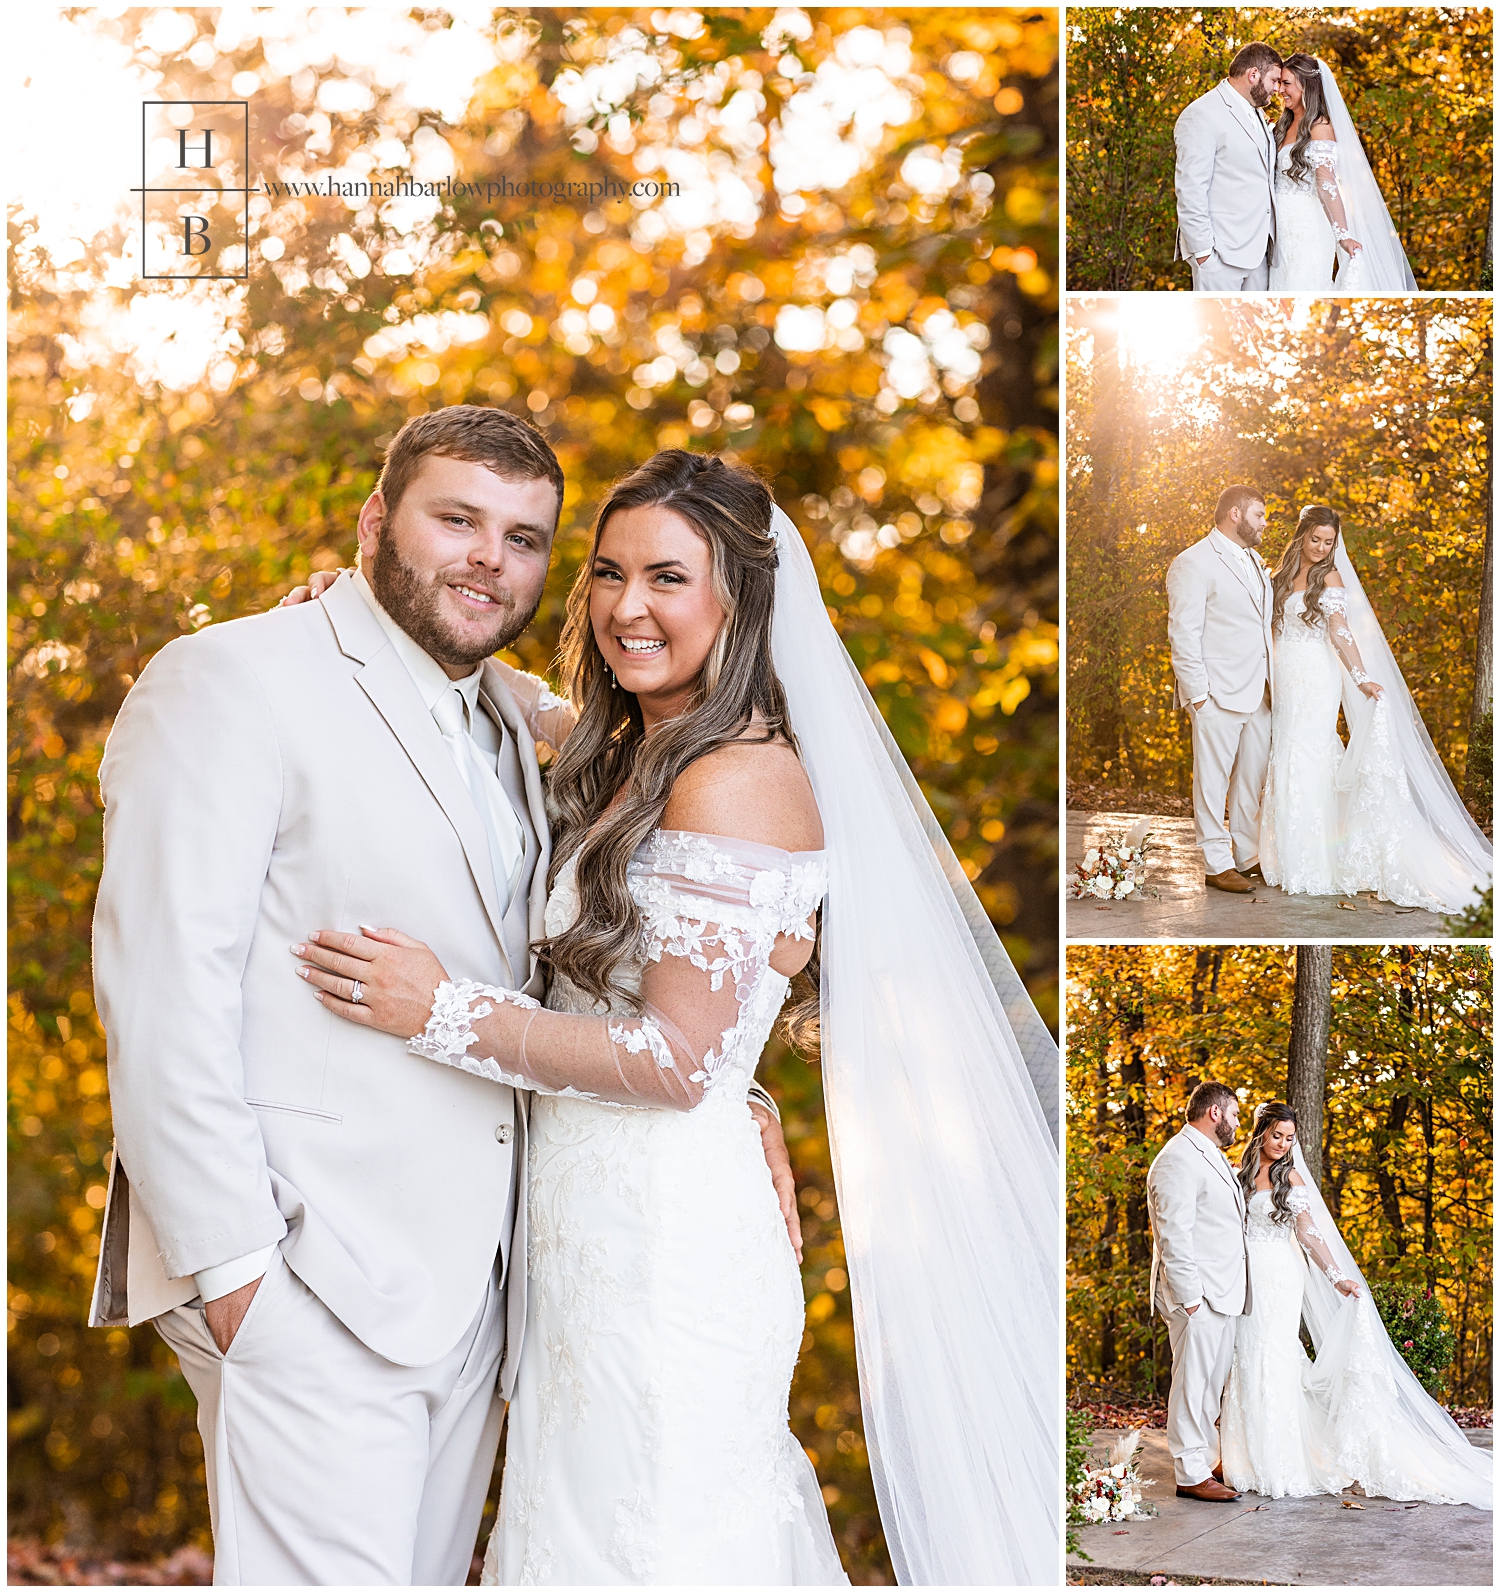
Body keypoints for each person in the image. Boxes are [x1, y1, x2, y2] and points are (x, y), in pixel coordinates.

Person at [290, 448, 1063, 1580]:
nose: (626, 607)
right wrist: (354, 608)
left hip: (666, 1250)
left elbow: (672, 1057)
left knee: (656, 1535)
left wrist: (438, 1011)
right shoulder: (638, 750)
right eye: (607, 573)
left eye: (667, 579)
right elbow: (516, 700)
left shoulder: (738, 779)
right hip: (595, 1232)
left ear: (739, 601)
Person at [87, 408, 798, 1585]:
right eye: (456, 520)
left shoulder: (559, 743)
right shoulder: (234, 680)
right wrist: (235, 1277)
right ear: (377, 521)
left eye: (523, 538)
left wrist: (738, 1095)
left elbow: (686, 1003)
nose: (490, 558)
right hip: (309, 1277)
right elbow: (160, 988)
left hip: (496, 1292)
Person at [1221, 1103, 1492, 1508]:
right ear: (1261, 1132)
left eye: (1290, 1138)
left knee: (1272, 1357)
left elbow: (1310, 1235)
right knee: (1245, 1357)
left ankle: (1281, 1462)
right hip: (1243, 1280)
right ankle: (1244, 1461)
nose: (1282, 1144)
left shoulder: (1290, 1178)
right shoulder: (1238, 1175)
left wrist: (1337, 1277)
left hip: (1278, 1278)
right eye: (1277, 1135)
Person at [1260, 505, 1491, 911]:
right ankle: (1288, 858)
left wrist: (1361, 676)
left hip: (1316, 676)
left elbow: (1340, 631)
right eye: (1315, 538)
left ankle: (1316, 863)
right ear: (1301, 535)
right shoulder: (1277, 577)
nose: (1320, 547)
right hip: (1284, 678)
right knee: (1285, 754)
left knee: (1308, 753)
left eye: (1328, 541)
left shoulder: (1328, 577)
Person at [1165, 484, 1276, 893]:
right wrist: (1198, 696)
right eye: (1259, 515)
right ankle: (1216, 863)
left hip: (1259, 692)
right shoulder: (1193, 562)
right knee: (1211, 782)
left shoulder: (1254, 559)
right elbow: (1184, 632)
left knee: (1251, 778)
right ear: (1235, 514)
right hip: (1216, 693)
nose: (1265, 523)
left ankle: (1246, 856)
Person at [1145, 1081, 1251, 1502]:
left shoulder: (1211, 1157)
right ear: (1215, 1113)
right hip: (1197, 1294)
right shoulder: (1177, 1159)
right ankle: (1189, 1472)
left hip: (1222, 1291)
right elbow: (1174, 1233)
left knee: (1209, 1385)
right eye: (1236, 1114)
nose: (1238, 1122)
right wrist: (1190, 1298)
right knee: (1191, 1383)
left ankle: (1205, 1459)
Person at [1267, 54, 1417, 291]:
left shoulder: (1320, 126)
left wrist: (1343, 235)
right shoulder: (1281, 126)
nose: (1279, 90)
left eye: (1286, 83)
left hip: (1307, 229)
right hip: (1277, 230)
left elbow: (1326, 181)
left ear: (1306, 86)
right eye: (1279, 83)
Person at [1173, 42, 1283, 292]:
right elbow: (1190, 189)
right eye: (1274, 80)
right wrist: (1203, 254)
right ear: (1253, 74)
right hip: (1220, 255)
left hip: (1259, 253)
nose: (1277, 89)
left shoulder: (1255, 112)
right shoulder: (1202, 114)